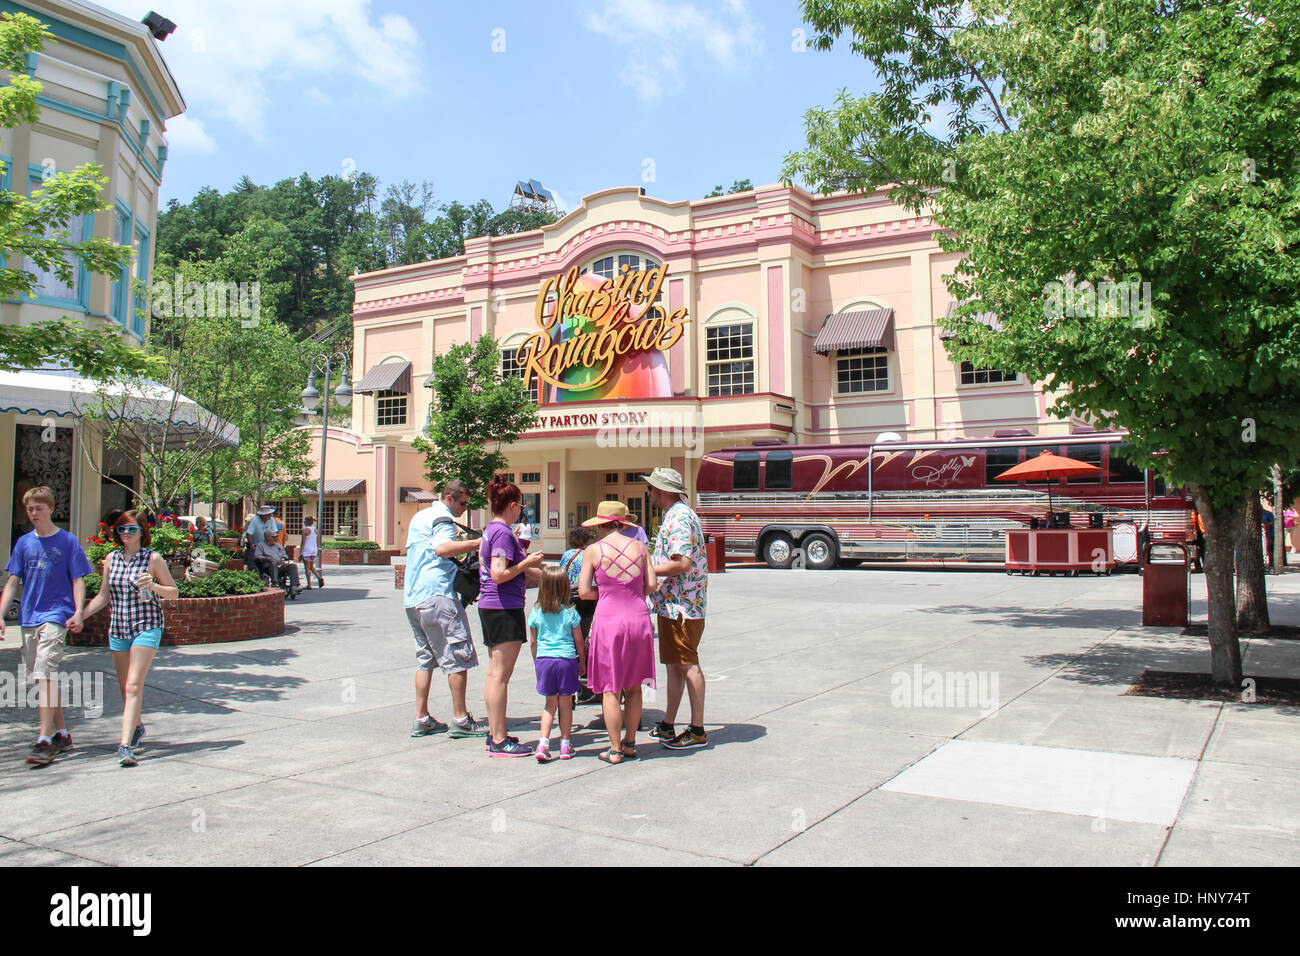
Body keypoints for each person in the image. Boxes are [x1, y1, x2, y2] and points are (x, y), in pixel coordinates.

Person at [0, 486, 94, 766]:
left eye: (39, 508)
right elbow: (12, 582)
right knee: (42, 678)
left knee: (44, 671)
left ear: (51, 508)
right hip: (29, 617)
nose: (33, 513)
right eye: (30, 509)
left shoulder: (67, 541)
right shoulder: (24, 544)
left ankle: (44, 740)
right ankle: (62, 734)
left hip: (56, 615)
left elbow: (78, 579)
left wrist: (78, 612)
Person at [81, 509, 179, 767]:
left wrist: (154, 586)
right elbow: (103, 597)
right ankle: (136, 726)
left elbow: (173, 593)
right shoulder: (111, 559)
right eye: (121, 529)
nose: (126, 533)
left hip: (146, 626)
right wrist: (80, 616)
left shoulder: (153, 559)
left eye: (131, 529)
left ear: (142, 532)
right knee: (126, 687)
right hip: (119, 629)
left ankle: (125, 746)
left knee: (134, 685)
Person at [404, 479, 490, 739]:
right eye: (463, 503)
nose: (465, 508)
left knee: (425, 659)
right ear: (450, 497)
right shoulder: (443, 518)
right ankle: (461, 719)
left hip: (413, 598)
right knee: (457, 655)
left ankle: (422, 718)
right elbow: (442, 549)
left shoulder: (422, 516)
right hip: (438, 595)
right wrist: (478, 543)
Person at [578, 501, 657, 765]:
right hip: (637, 618)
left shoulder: (593, 550)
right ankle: (631, 742)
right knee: (634, 687)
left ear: (601, 524)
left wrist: (608, 593)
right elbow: (652, 584)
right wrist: (631, 593)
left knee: (610, 688)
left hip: (609, 619)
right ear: (623, 523)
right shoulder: (640, 548)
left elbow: (584, 592)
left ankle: (614, 749)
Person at [479, 473, 544, 757]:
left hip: (492, 607)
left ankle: (496, 733)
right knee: (500, 677)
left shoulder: (492, 530)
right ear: (512, 505)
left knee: (495, 673)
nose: (522, 510)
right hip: (503, 607)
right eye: (520, 505)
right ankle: (499, 739)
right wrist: (527, 562)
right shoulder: (503, 533)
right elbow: (499, 573)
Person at [645, 467, 710, 750]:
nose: (649, 494)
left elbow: (682, 563)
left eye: (652, 489)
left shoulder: (680, 518)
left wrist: (645, 569)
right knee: (675, 666)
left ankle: (697, 729)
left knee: (687, 664)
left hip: (682, 605)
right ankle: (669, 723)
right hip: (673, 604)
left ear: (663, 491)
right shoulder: (676, 514)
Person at [528, 566, 587, 762]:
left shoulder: (536, 612)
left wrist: (537, 661)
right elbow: (579, 640)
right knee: (566, 704)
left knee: (549, 705)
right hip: (566, 660)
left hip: (545, 660)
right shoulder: (570, 613)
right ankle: (565, 744)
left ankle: (543, 743)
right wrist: (582, 662)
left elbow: (534, 641)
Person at [560, 527, 599, 705]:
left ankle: (574, 667)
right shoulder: (588, 553)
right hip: (586, 596)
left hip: (570, 596)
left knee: (571, 633)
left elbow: (562, 575)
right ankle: (586, 665)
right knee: (584, 631)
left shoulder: (566, 555)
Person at [254, 531, 301, 597]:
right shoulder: (261, 545)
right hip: (268, 566)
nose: (275, 538)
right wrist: (267, 559)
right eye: (273, 537)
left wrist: (284, 557)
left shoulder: (278, 546)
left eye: (276, 537)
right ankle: (275, 583)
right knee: (273, 563)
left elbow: (284, 554)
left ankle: (294, 587)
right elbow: (257, 556)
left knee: (293, 566)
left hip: (280, 565)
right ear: (267, 538)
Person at [243, 505, 281, 572]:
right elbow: (249, 534)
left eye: (270, 514)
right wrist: (252, 545)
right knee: (252, 561)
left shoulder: (271, 520)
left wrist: (274, 544)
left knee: (274, 559)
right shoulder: (255, 521)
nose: (270, 516)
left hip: (268, 545)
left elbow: (275, 532)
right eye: (268, 514)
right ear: (263, 515)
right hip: (256, 545)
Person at [300, 515, 324, 589]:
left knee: (306, 568)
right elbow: (317, 542)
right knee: (311, 566)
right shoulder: (315, 530)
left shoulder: (305, 530)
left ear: (306, 522)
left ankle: (309, 584)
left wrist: (300, 552)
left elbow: (303, 542)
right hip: (314, 550)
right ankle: (319, 577)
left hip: (307, 550)